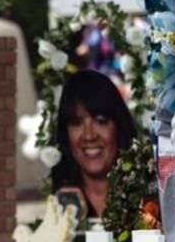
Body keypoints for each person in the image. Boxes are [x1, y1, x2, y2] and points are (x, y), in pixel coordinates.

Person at [51, 69, 137, 221]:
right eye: (76, 123)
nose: (89, 135)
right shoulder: (58, 207)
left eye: (100, 121)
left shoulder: (149, 202)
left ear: (119, 127)